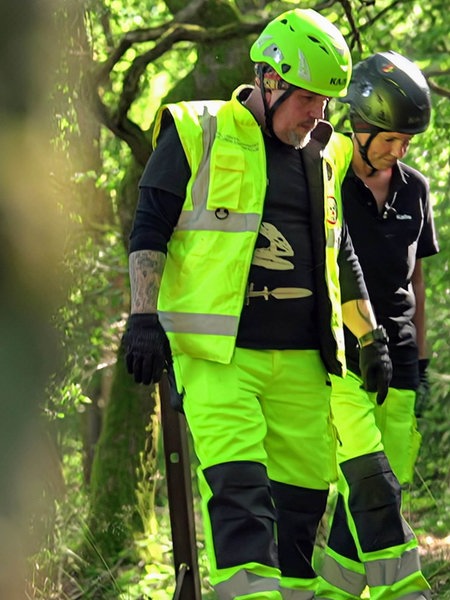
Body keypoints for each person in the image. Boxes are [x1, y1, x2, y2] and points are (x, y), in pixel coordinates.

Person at [123, 10, 393, 600]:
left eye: (326, 103)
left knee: (300, 512)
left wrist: (368, 337)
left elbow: (338, 250)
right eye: (307, 100)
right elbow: (149, 227)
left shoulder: (322, 154)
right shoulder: (200, 130)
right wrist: (143, 317)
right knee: (241, 495)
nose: (317, 115)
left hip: (303, 364)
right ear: (270, 80)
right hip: (219, 359)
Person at [315, 52, 438, 599]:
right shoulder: (324, 178)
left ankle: (333, 593)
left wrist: (425, 358)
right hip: (341, 358)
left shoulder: (415, 189)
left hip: (403, 363)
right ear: (360, 125)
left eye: (406, 142)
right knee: (371, 483)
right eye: (389, 138)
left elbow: (417, 282)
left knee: (372, 493)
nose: (398, 151)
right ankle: (406, 591)